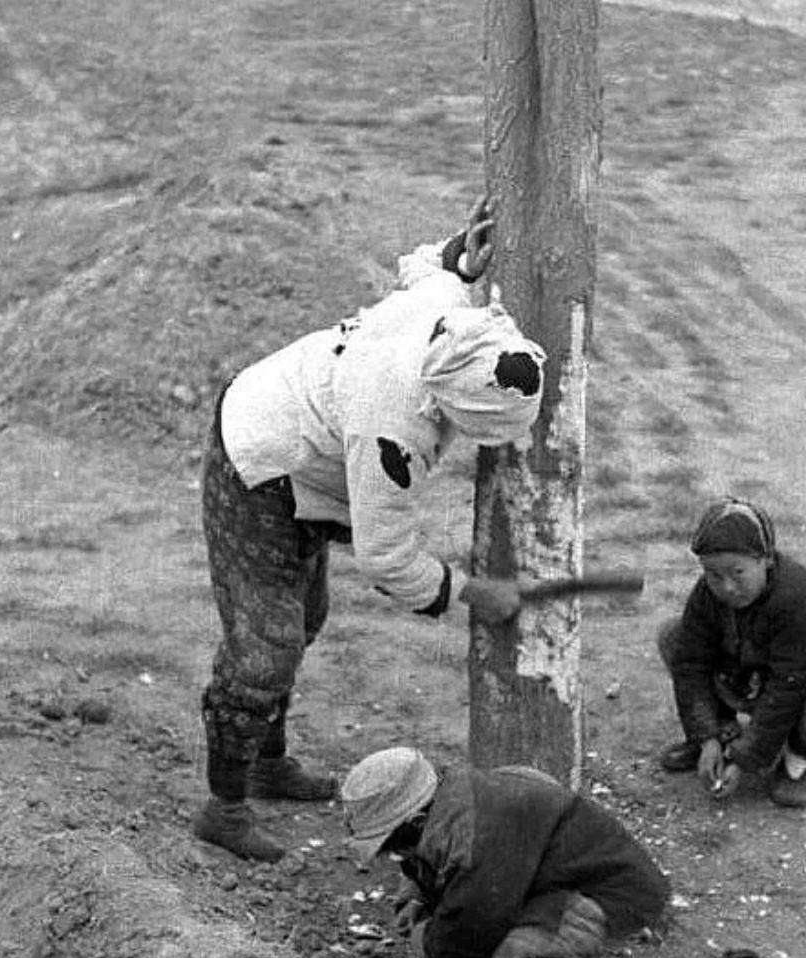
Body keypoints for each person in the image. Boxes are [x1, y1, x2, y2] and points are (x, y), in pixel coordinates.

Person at [194, 197, 547, 862]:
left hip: (307, 452)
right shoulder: (394, 429)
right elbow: (387, 560)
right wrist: (472, 593)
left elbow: (425, 272)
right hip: (260, 460)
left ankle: (268, 764)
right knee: (265, 645)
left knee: (304, 617)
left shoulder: (458, 319)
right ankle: (225, 807)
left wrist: (457, 255)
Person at [340, 746, 671, 958]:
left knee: (516, 957)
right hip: (544, 878)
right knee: (477, 914)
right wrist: (419, 895)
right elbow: (442, 872)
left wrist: (426, 949)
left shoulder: (476, 837)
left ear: (416, 821)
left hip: (610, 889)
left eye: (391, 842)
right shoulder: (451, 801)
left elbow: (467, 928)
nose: (389, 855)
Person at [656, 497, 806, 806]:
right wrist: (707, 737)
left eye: (737, 572)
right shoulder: (706, 596)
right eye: (714, 575)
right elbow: (691, 666)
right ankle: (722, 737)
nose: (726, 586)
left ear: (765, 559)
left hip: (805, 691)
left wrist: (745, 760)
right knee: (675, 636)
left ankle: (796, 762)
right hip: (755, 677)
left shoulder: (803, 598)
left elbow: (787, 687)